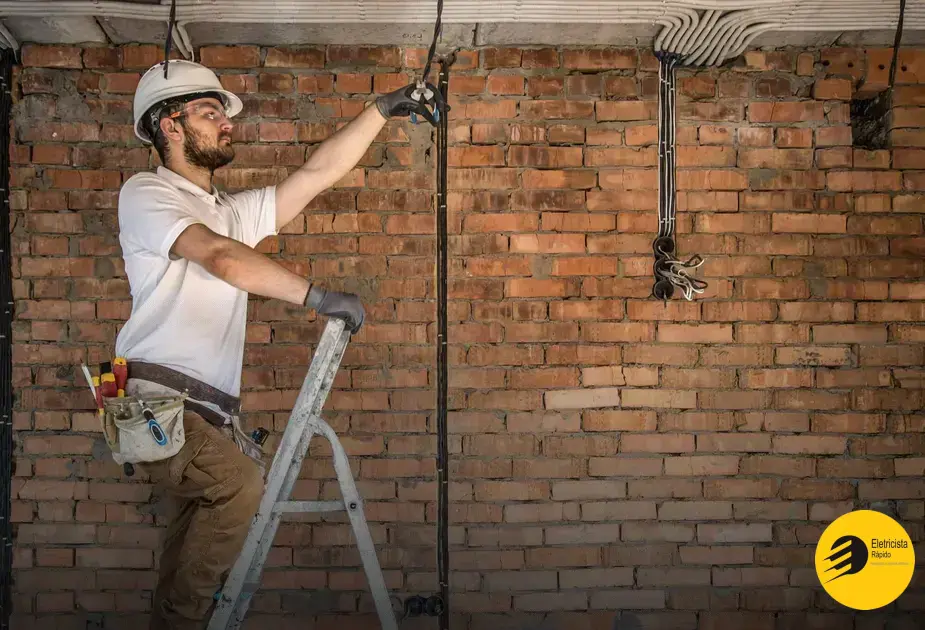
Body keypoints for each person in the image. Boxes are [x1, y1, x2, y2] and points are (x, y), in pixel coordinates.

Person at [115, 59, 434, 629]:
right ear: (169, 124)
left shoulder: (227, 212)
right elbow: (220, 257)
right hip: (156, 402)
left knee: (193, 528)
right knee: (238, 484)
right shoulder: (147, 194)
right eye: (210, 113)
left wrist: (380, 111)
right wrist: (316, 296)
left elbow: (314, 176)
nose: (227, 124)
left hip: (200, 412)